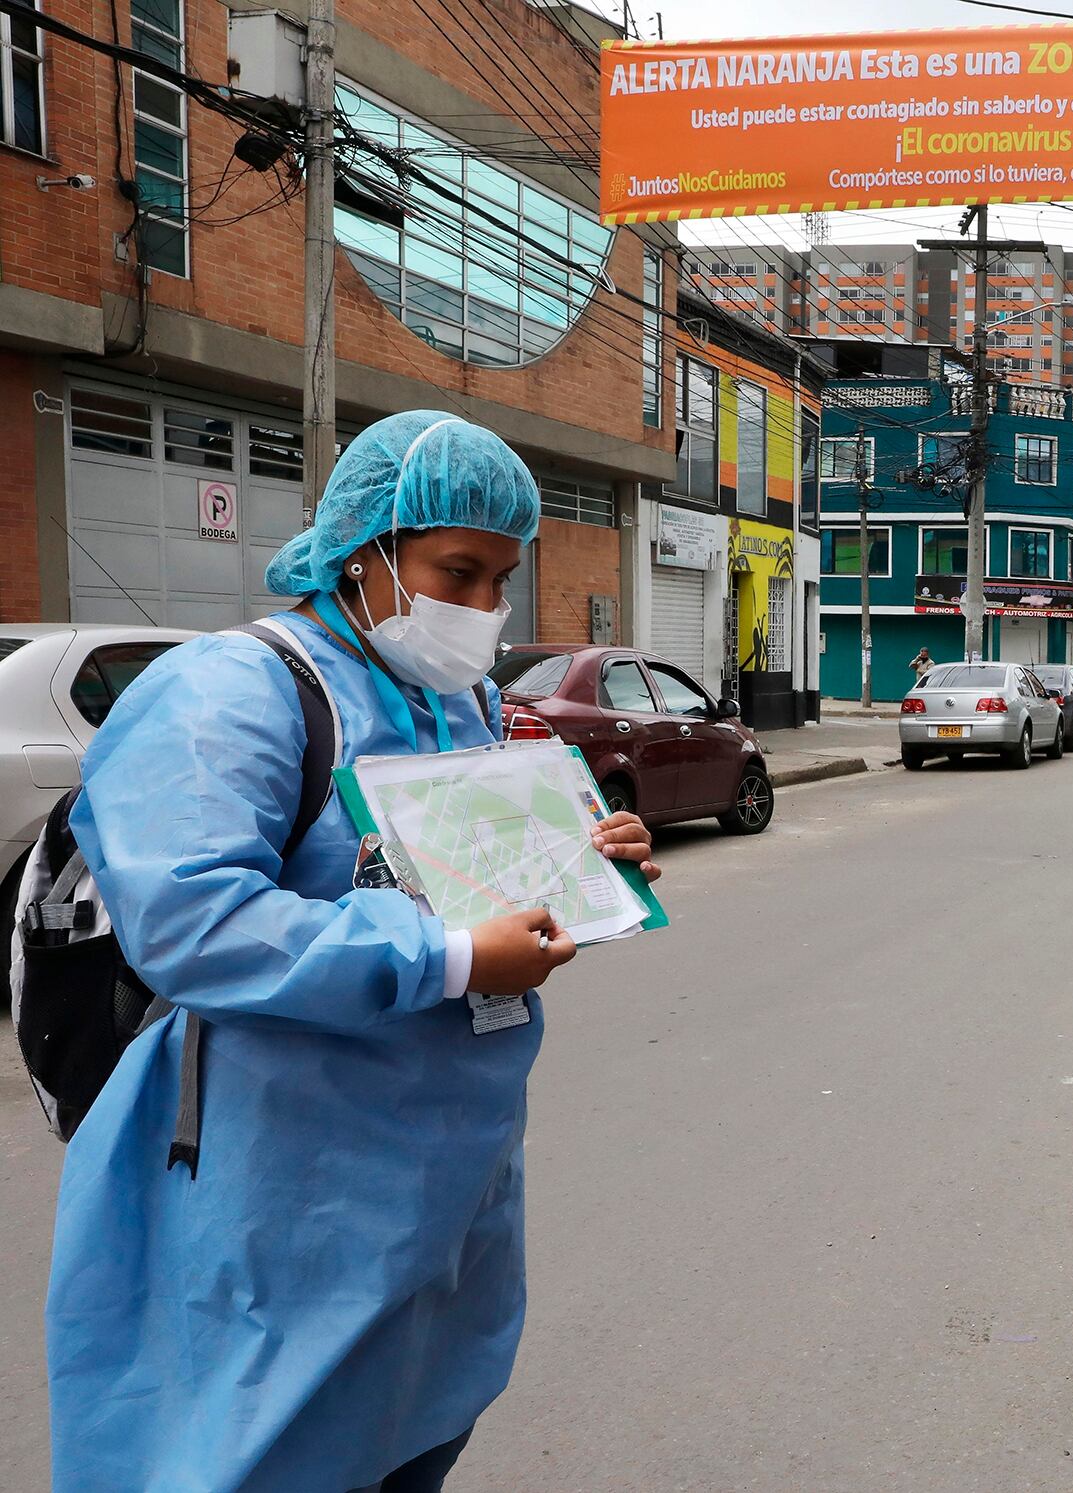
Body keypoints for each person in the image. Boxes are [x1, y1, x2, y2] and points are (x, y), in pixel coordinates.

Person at [46, 411, 661, 1492]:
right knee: (243, 1454)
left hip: (444, 1180)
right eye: (455, 571)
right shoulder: (228, 691)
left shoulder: (458, 698)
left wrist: (581, 863)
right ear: (363, 550)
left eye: (497, 580)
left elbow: (460, 879)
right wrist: (453, 960)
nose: (479, 609)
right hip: (274, 1185)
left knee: (411, 1431)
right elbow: (194, 922)